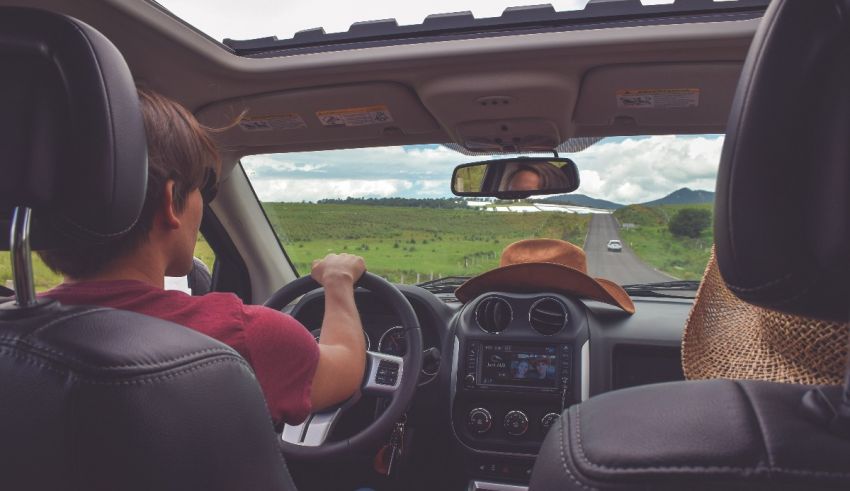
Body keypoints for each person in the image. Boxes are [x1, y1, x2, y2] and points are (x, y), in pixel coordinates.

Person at [37, 88, 366, 426]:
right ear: (170, 201)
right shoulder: (241, 337)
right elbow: (346, 368)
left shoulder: (13, 335)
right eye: (202, 188)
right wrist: (338, 282)